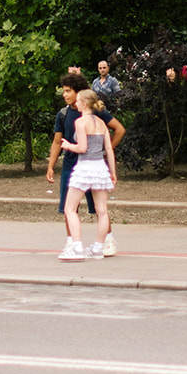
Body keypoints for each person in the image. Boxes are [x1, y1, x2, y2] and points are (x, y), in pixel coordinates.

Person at [46, 76, 125, 256]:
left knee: (89, 208)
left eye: (68, 91)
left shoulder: (94, 114)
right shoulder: (63, 114)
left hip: (86, 165)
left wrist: (100, 151)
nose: (64, 94)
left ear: (79, 94)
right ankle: (74, 242)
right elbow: (57, 141)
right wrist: (51, 165)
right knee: (76, 207)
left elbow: (119, 129)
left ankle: (102, 241)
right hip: (73, 165)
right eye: (64, 91)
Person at [58, 90, 116, 260]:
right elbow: (109, 149)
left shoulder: (80, 122)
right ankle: (98, 247)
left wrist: (68, 145)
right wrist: (112, 172)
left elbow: (82, 148)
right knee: (102, 211)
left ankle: (77, 248)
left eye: (77, 101)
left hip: (84, 167)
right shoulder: (101, 123)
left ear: (84, 104)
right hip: (100, 167)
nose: (75, 103)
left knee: (70, 208)